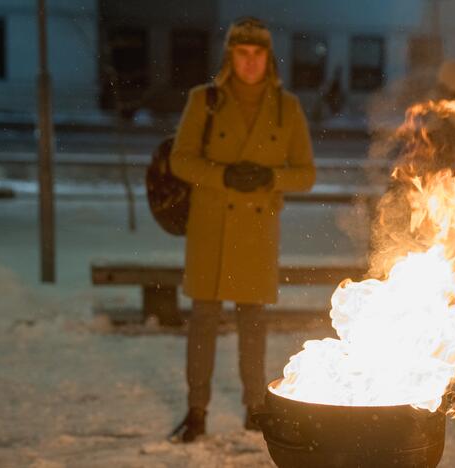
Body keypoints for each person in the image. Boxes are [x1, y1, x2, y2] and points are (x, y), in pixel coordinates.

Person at [167, 16, 315, 443]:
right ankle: (197, 410)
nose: (250, 62)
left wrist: (270, 179)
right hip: (212, 226)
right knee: (203, 321)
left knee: (253, 323)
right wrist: (223, 176)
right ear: (230, 55)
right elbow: (181, 160)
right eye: (242, 53)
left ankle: (256, 406)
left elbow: (305, 173)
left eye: (258, 53)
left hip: (256, 229)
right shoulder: (205, 100)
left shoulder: (287, 107)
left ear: (268, 58)